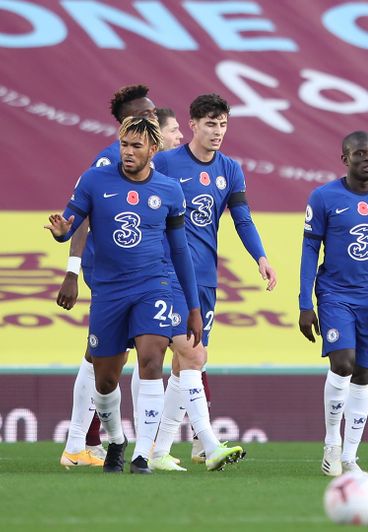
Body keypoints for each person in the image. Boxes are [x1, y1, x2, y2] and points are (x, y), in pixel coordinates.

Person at [45, 116, 202, 474]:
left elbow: (180, 252)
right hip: (109, 290)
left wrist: (192, 307)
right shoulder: (95, 180)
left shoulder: (168, 190)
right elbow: (71, 222)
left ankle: (142, 455)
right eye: (124, 145)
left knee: (151, 359)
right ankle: (116, 439)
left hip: (153, 285)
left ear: (153, 149)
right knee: (105, 381)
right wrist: (60, 233)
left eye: (136, 146)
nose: (128, 152)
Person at [148, 93, 276, 470]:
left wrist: (261, 257)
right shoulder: (167, 163)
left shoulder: (230, 169)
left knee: (184, 366)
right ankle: (208, 443)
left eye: (222, 124)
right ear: (193, 125)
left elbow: (242, 218)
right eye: (210, 124)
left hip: (204, 278)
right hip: (167, 273)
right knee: (194, 355)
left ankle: (157, 451)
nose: (217, 131)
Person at [57, 84, 157, 469]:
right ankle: (79, 444)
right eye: (143, 116)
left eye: (153, 113)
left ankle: (82, 444)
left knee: (104, 357)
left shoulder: (148, 160)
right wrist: (73, 271)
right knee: (99, 357)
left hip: (139, 271)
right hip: (112, 271)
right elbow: (80, 217)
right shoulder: (107, 162)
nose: (153, 118)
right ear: (125, 123)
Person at [297, 131, 368, 476]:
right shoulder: (324, 197)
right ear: (345, 159)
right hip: (334, 294)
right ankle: (332, 443)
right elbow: (309, 250)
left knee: (363, 374)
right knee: (343, 364)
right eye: (360, 153)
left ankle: (350, 457)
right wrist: (305, 302)